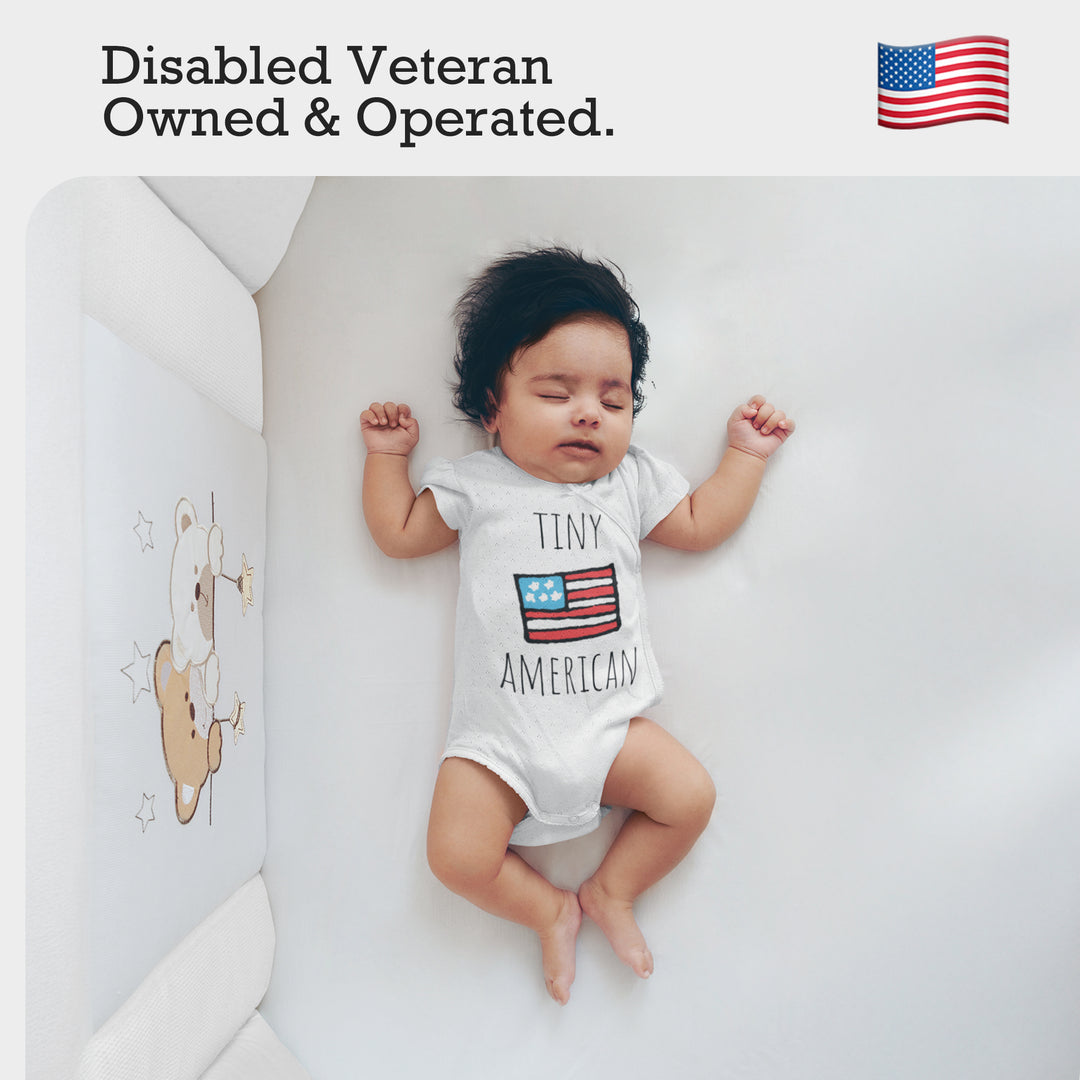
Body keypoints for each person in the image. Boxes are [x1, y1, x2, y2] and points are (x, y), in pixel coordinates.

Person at [360, 247, 794, 1004]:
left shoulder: (630, 482)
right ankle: (547, 907)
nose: (589, 413)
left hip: (608, 726)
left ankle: (611, 891)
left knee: (688, 798)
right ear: (493, 409)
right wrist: (388, 457)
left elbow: (697, 522)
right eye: (556, 393)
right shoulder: (476, 484)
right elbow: (398, 532)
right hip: (498, 742)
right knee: (457, 857)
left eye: (614, 401)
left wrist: (745, 457)